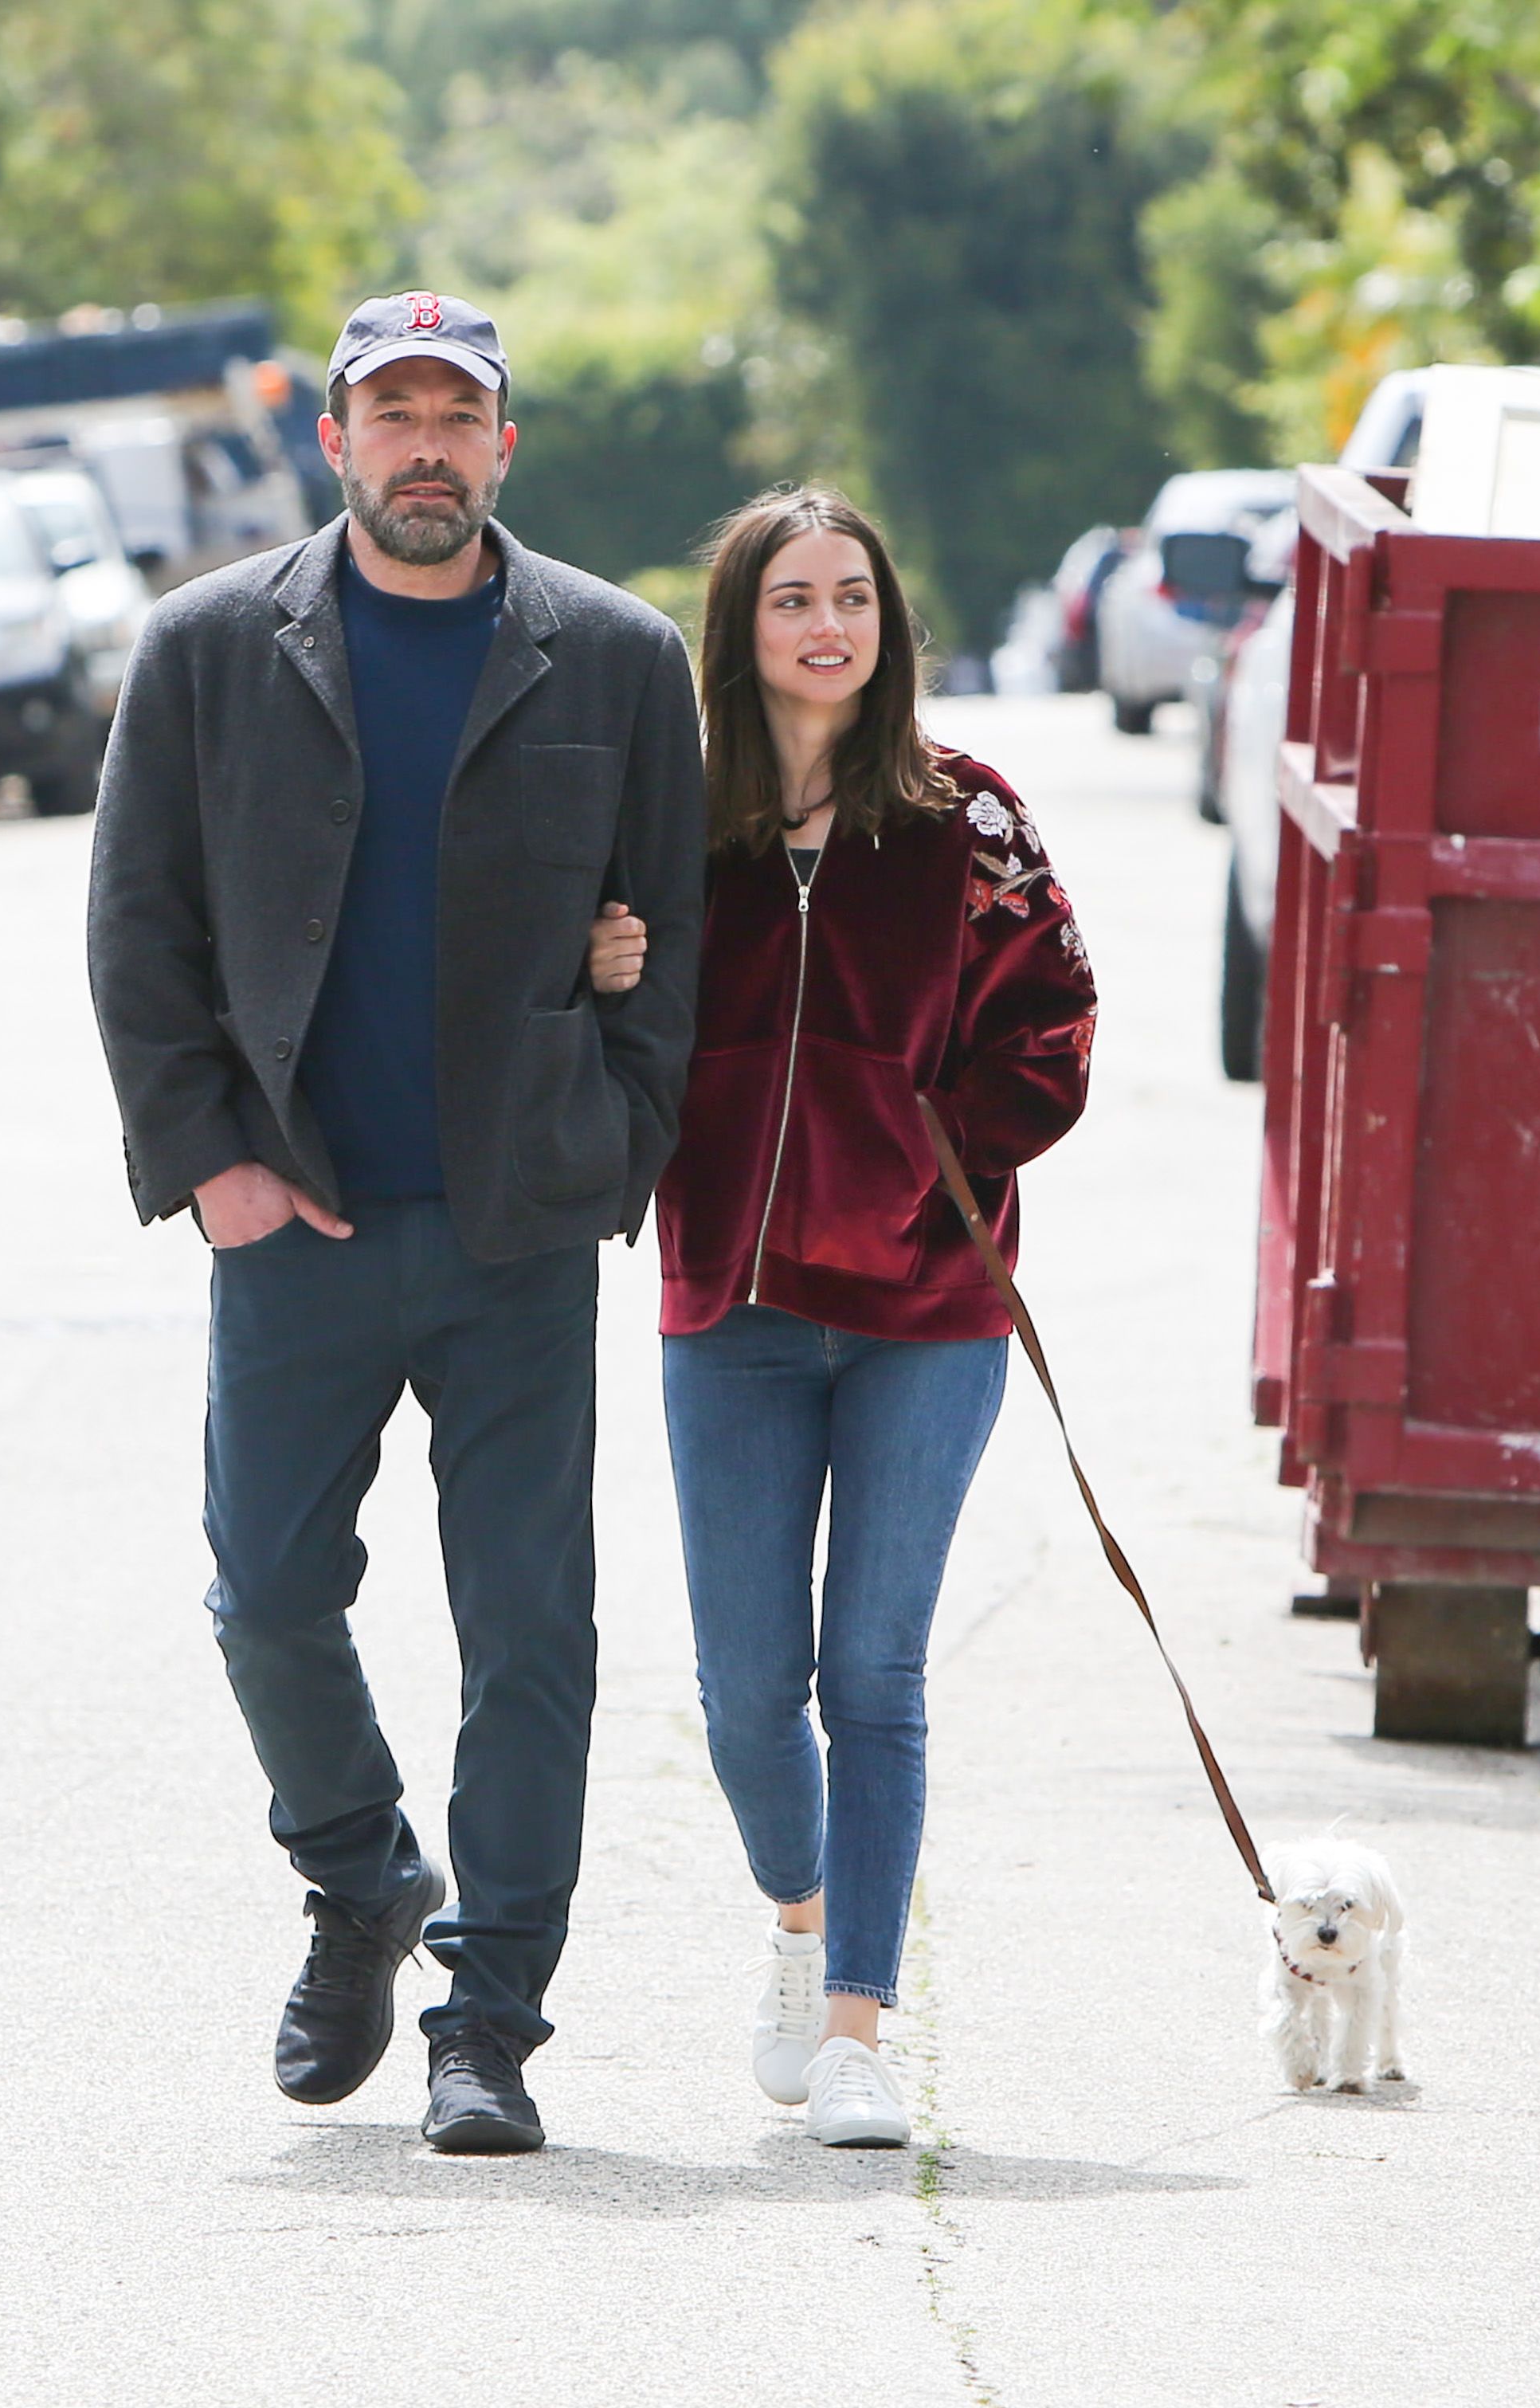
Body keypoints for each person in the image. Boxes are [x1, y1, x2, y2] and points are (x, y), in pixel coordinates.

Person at [88, 292, 707, 2155]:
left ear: (503, 446)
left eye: (458, 415)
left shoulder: (612, 655)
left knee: (530, 1629)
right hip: (299, 1220)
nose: (424, 445)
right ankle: (358, 1871)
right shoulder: (206, 649)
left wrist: (614, 1152)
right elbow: (140, 928)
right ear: (337, 444)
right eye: (391, 414)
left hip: (517, 1225)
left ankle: (490, 2017)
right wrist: (215, 1164)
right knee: (266, 1594)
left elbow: (669, 946)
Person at [586, 485, 1095, 2147]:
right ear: (738, 628)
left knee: (871, 1670)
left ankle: (866, 2025)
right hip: (725, 1295)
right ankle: (799, 1928)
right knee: (745, 1688)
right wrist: (599, 968)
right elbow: (592, 1012)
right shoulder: (671, 823)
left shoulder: (968, 816)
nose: (826, 624)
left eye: (852, 598)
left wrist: (930, 1149)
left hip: (926, 1303)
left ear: (887, 626)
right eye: (791, 597)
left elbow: (1054, 1022)